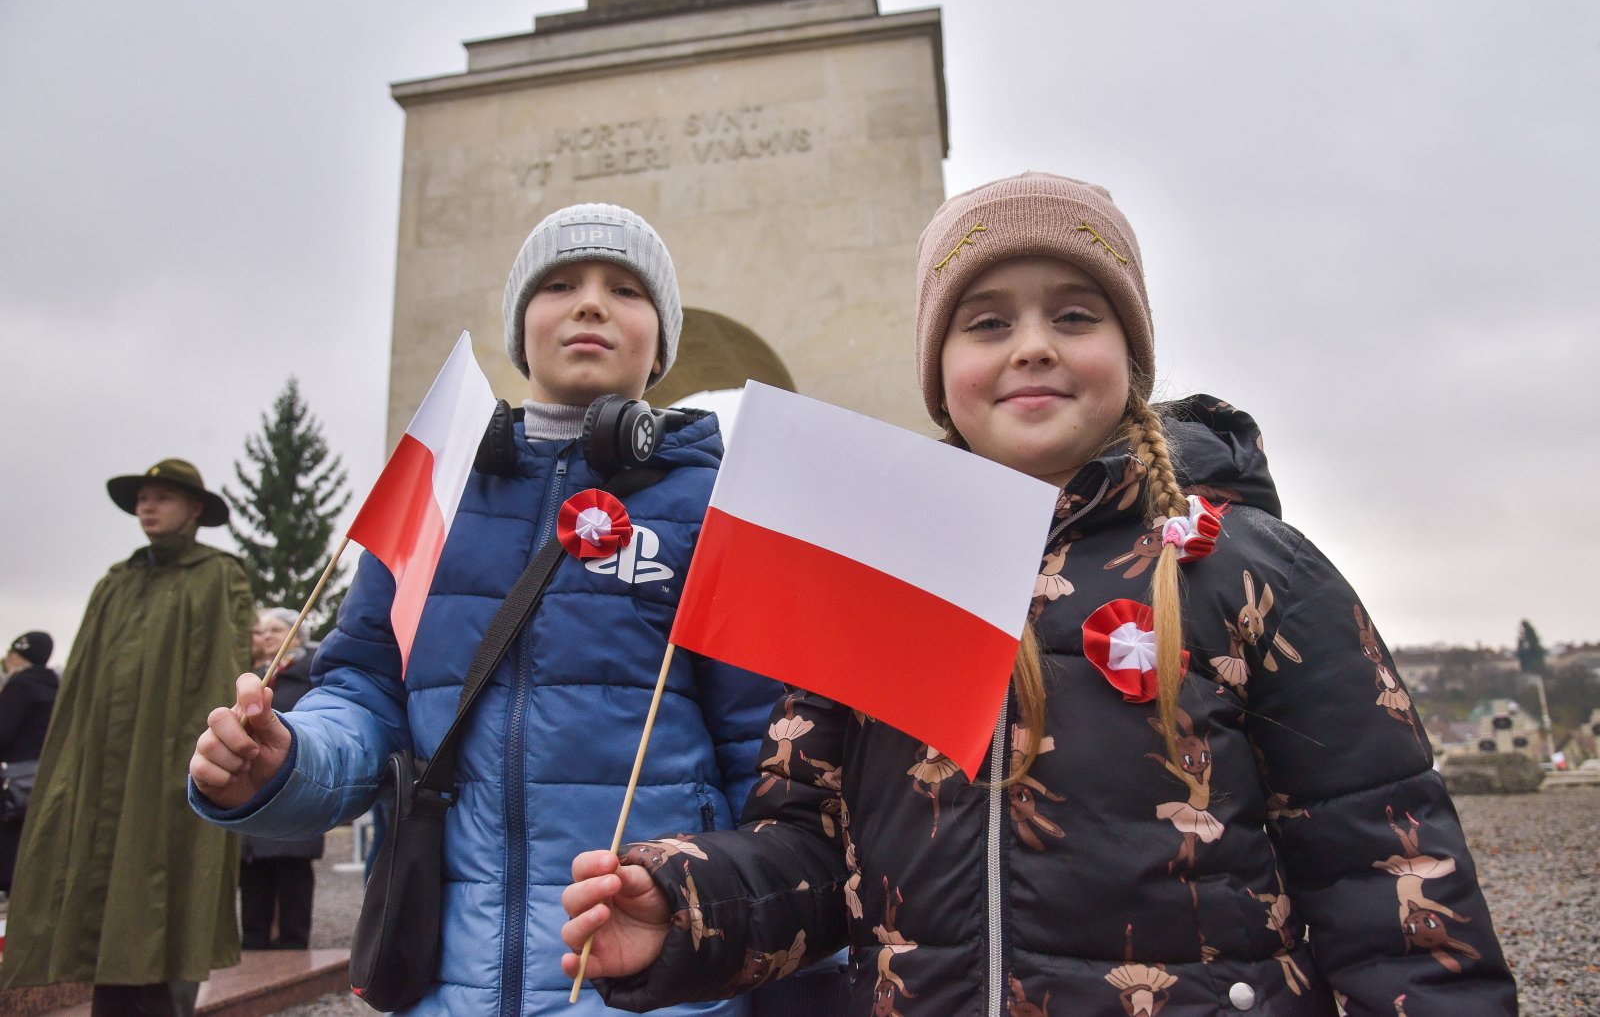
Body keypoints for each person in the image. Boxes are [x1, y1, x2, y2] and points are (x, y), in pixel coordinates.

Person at [560, 173, 1518, 1015]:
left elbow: (1387, 875)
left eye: (1073, 315)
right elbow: (814, 854)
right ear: (939, 374)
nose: (1030, 347)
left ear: (1132, 356)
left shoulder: (1258, 572)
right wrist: (686, 907)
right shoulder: (876, 575)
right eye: (986, 322)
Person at [188, 203, 785, 1015]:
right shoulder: (434, 495)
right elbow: (364, 693)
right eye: (559, 283)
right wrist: (289, 760)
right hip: (448, 981)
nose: (589, 303)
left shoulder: (717, 505)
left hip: (657, 982)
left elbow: (765, 755)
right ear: (519, 325)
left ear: (663, 339)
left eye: (626, 288)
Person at [0, 460, 254, 1017]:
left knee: (157, 893)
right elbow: (82, 692)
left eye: (163, 496)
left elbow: (225, 671)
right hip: (101, 772)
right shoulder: (114, 583)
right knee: (92, 889)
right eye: (142, 497)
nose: (147, 505)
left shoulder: (218, 576)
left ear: (194, 510)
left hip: (164, 768)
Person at [237, 607, 324, 950]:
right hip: (252, 780)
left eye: (275, 629)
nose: (266, 636)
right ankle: (254, 941)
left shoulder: (308, 675)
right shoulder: (249, 677)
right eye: (260, 631)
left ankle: (292, 942)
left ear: (296, 635)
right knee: (254, 867)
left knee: (292, 865)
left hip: (294, 778)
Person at [0, 630, 57, 893]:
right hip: (42, 775)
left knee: (8, 838)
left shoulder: (20, 686)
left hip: (12, 777)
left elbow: (4, 732)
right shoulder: (54, 684)